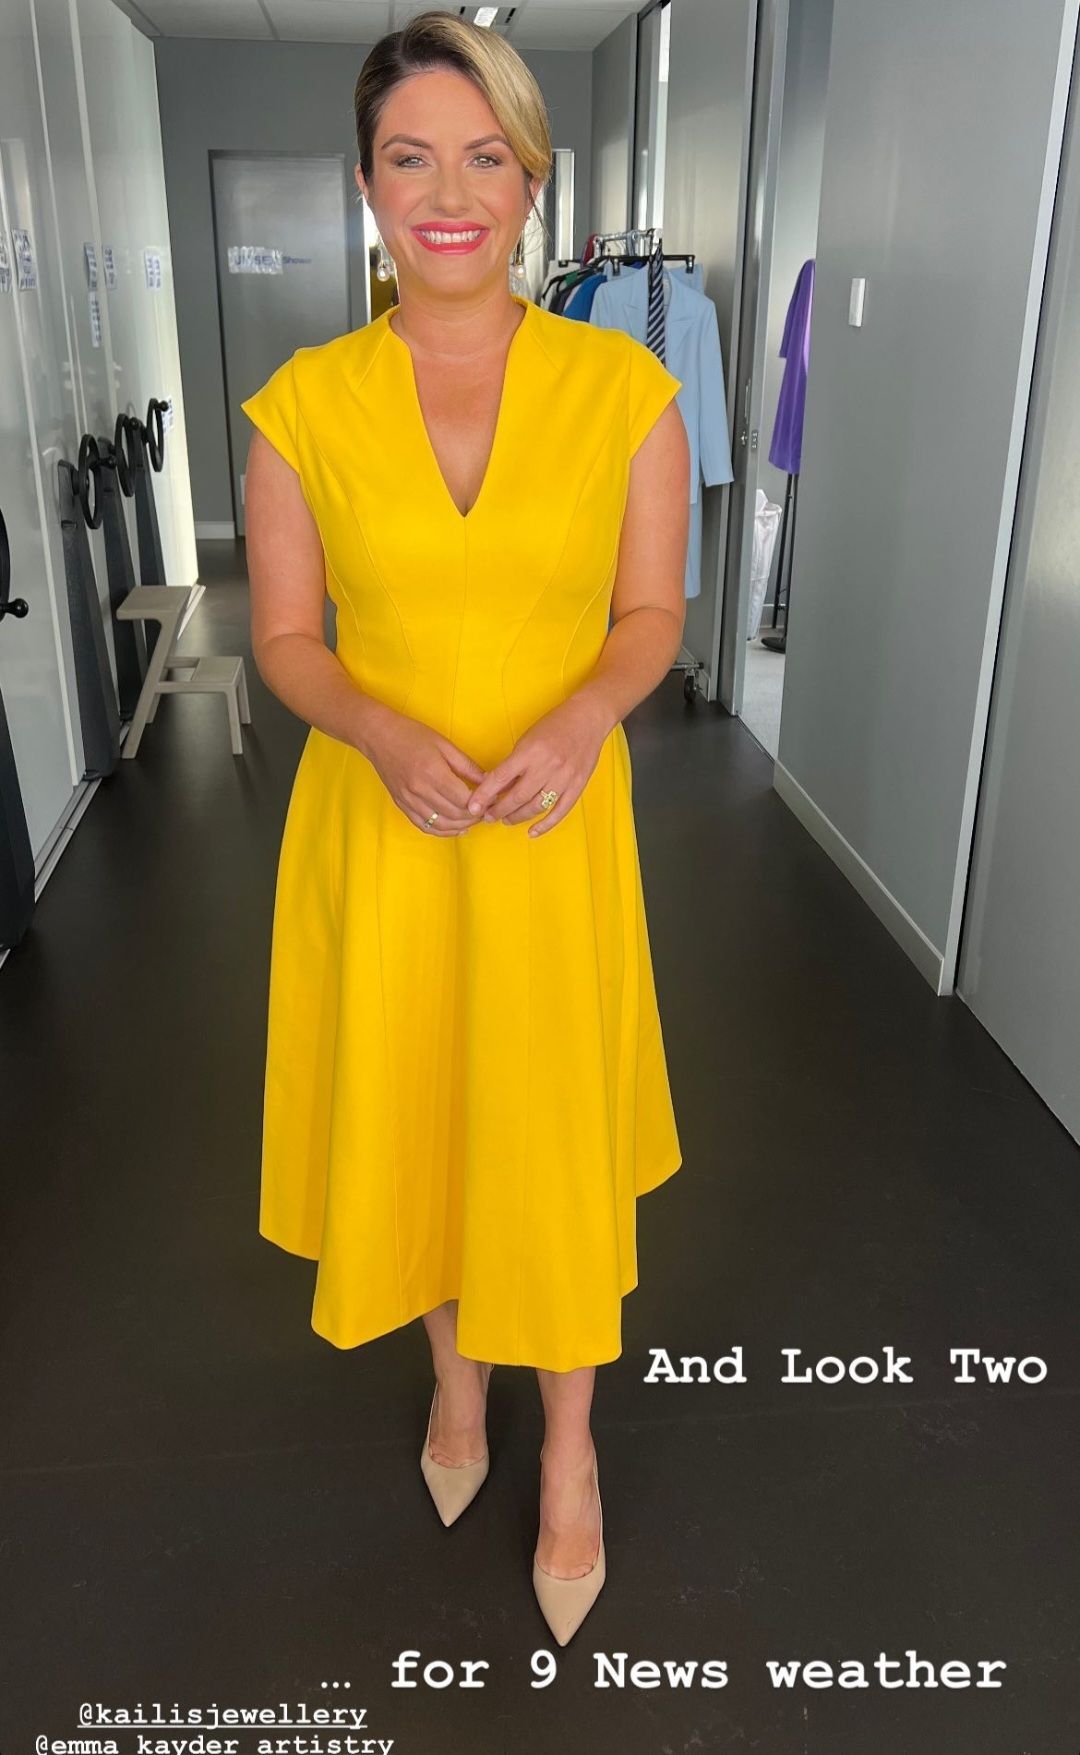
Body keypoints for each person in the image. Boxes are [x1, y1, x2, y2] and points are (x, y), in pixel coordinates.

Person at [241, 10, 690, 1647]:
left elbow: (651, 616)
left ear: (530, 182)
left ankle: (568, 1448)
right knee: (427, 1116)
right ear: (367, 184)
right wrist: (376, 729)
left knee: (546, 1141)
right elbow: (287, 641)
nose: (449, 195)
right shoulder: (302, 407)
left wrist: (584, 717)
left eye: (484, 157)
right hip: (389, 831)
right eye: (411, 158)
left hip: (555, 832)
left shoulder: (626, 388)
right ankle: (454, 1384)